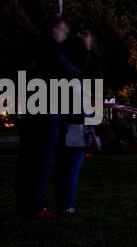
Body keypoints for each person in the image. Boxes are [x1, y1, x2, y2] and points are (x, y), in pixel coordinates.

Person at [16, 15, 84, 218]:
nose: (65, 35)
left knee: (28, 159)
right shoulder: (51, 49)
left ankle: (25, 203)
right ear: (55, 29)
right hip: (47, 108)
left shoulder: (31, 47)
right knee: (42, 159)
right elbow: (70, 71)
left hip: (31, 107)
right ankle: (37, 206)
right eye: (64, 31)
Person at [53, 28, 97, 214]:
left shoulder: (61, 70)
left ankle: (61, 202)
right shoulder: (81, 77)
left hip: (61, 121)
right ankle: (66, 204)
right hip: (76, 123)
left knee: (61, 167)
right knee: (71, 168)